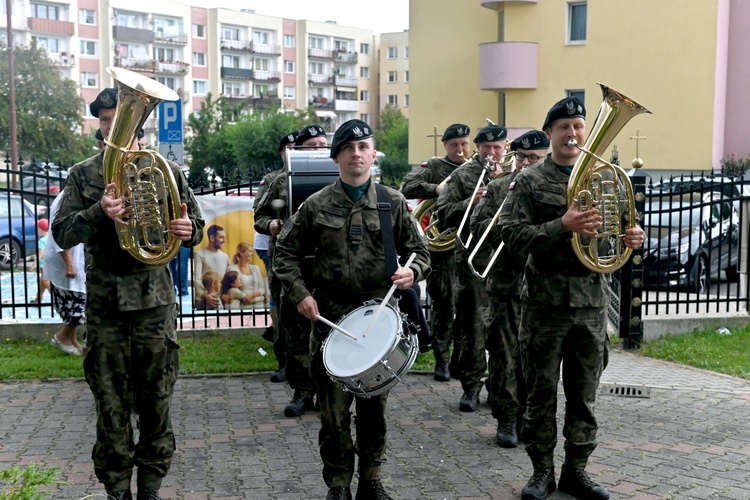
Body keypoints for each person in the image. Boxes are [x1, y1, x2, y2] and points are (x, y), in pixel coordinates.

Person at [52, 87, 205, 500]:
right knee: (110, 407)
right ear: (98, 125)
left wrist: (190, 232)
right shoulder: (83, 175)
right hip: (106, 309)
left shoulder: (166, 169)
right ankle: (117, 489)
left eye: (118, 119)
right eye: (104, 121)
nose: (111, 128)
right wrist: (98, 213)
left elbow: (197, 225)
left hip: (154, 307)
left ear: (139, 122)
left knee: (157, 403)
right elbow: (62, 232)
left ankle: (151, 487)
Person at [274, 119, 430, 500]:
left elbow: (422, 251)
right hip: (331, 317)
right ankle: (339, 484)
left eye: (364, 148)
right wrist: (300, 294)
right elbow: (285, 253)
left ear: (373, 155)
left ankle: (371, 480)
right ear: (336, 157)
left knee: (374, 409)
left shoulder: (391, 202)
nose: (356, 154)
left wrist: (412, 271)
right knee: (333, 412)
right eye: (348, 149)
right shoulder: (316, 204)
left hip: (378, 317)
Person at [500, 97, 645, 500]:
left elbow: (619, 235)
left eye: (579, 126)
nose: (573, 133)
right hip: (545, 307)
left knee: (584, 396)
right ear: (549, 134)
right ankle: (541, 472)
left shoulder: (608, 179)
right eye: (564, 126)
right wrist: (559, 225)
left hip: (591, 307)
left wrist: (634, 239)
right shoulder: (530, 181)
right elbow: (510, 237)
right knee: (540, 394)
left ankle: (576, 471)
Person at [470, 129, 549, 448]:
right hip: (506, 283)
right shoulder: (499, 186)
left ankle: (530, 417)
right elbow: (476, 227)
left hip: (544, 286)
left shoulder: (556, 188)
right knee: (505, 354)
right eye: (521, 157)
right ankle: (506, 418)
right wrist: (505, 221)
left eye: (534, 158)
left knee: (537, 359)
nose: (526, 163)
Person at [255, 125, 329, 415]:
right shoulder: (281, 180)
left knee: (327, 328)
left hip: (327, 266)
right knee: (296, 330)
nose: (319, 150)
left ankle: (327, 389)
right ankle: (302, 391)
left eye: (323, 144)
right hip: (293, 265)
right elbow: (260, 215)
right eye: (312, 145)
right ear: (298, 150)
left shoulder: (338, 178)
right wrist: (272, 225)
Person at [436, 123, 508, 412]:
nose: (492, 152)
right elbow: (442, 214)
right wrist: (472, 200)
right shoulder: (462, 175)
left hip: (505, 263)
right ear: (477, 148)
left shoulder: (516, 176)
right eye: (486, 147)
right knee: (473, 328)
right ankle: (471, 387)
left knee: (504, 330)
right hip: (472, 262)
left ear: (505, 149)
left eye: (497, 148)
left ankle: (499, 386)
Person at [400, 123, 470, 382]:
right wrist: (436, 189)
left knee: (467, 309)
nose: (460, 149)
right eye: (455, 145)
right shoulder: (435, 167)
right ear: (445, 146)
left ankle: (458, 361)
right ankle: (441, 360)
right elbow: (406, 186)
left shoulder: (477, 168)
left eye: (464, 143)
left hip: (468, 247)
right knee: (443, 305)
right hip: (442, 249)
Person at [253, 130, 297, 364]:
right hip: (279, 251)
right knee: (280, 303)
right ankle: (283, 359)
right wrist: (271, 224)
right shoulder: (273, 180)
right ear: (282, 153)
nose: (292, 152)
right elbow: (259, 213)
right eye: (287, 148)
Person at [44, 196, 85, 356]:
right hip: (65, 258)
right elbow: (59, 232)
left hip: (74, 257)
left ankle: (72, 340)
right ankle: (61, 337)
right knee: (77, 304)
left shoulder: (72, 196)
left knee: (73, 301)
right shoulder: (66, 199)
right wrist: (69, 262)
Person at [193, 224, 230, 309]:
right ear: (212, 238)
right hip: (203, 300)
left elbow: (227, 279)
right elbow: (196, 278)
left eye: (224, 237)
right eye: (221, 237)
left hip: (220, 299)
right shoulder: (199, 254)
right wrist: (204, 295)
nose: (224, 240)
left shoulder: (225, 256)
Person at [223, 242, 268, 309]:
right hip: (243, 306)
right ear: (241, 253)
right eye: (250, 251)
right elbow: (229, 289)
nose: (252, 254)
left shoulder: (256, 268)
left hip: (258, 305)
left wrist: (251, 296)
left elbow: (262, 289)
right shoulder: (231, 269)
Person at [32, 218, 51, 304]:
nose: (36, 229)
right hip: (49, 262)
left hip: (44, 264)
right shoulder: (50, 238)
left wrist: (34, 263)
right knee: (42, 282)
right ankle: (38, 299)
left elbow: (41, 253)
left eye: (37, 227)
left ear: (41, 229)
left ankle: (54, 297)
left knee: (45, 280)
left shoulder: (42, 240)